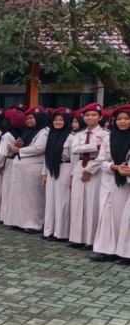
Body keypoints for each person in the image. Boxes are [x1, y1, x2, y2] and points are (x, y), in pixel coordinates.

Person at [90, 106, 130, 263]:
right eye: (119, 119)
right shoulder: (108, 138)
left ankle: (123, 251)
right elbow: (101, 161)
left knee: (123, 217)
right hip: (110, 180)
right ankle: (106, 250)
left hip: (126, 184)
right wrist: (114, 167)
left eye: (126, 118)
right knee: (106, 215)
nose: (122, 122)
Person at [68, 103, 109, 250]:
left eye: (93, 115)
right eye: (87, 115)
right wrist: (95, 146)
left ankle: (90, 240)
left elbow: (104, 154)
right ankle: (76, 238)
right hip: (80, 165)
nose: (90, 118)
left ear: (100, 117)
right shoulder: (79, 134)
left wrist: (90, 169)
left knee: (92, 203)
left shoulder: (105, 134)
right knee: (77, 201)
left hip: (96, 167)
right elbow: (74, 149)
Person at [3, 106, 50, 233]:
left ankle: (33, 223)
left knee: (33, 197)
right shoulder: (28, 131)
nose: (28, 121)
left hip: (33, 169)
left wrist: (19, 150)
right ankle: (18, 221)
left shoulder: (44, 132)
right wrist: (17, 145)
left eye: (31, 118)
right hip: (21, 168)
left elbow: (39, 148)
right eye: (27, 118)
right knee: (19, 196)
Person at [42, 108, 74, 242]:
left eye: (61, 120)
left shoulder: (70, 137)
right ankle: (48, 231)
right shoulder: (51, 135)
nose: (58, 122)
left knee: (62, 201)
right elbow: (47, 156)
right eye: (56, 120)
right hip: (51, 169)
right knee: (50, 201)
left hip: (65, 168)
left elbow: (74, 159)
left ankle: (60, 233)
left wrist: (72, 176)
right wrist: (44, 174)